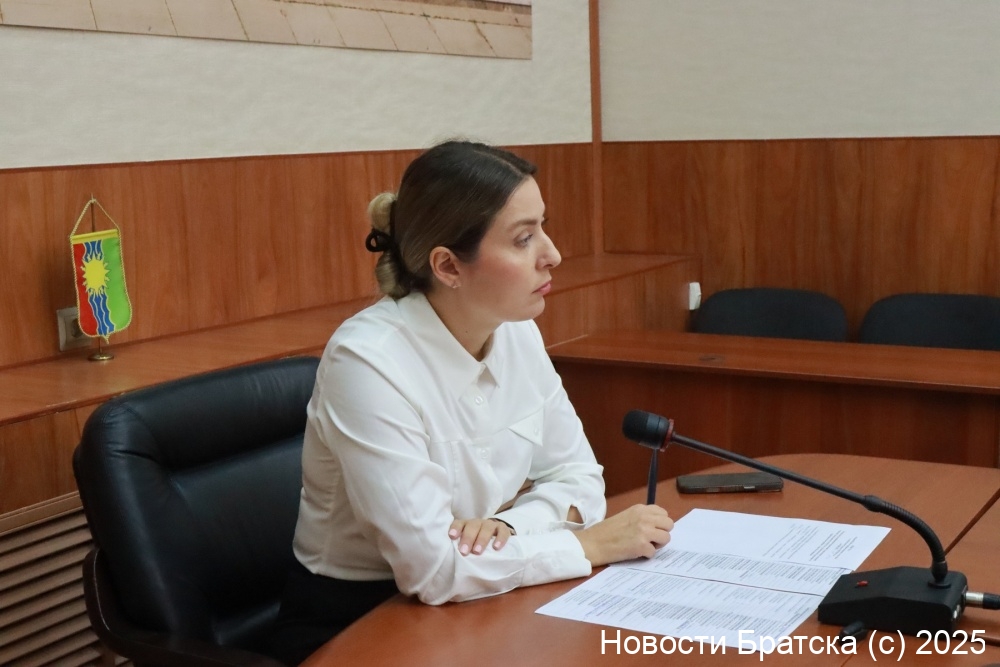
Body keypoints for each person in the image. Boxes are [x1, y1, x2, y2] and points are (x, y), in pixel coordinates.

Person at [269, 140, 673, 665]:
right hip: (357, 622)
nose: (552, 254)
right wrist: (585, 546)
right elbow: (433, 569)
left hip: (479, 592)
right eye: (524, 238)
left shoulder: (516, 330)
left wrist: (511, 528)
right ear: (448, 266)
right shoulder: (368, 362)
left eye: (543, 227)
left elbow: (579, 477)